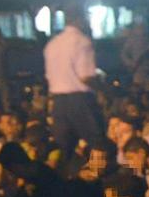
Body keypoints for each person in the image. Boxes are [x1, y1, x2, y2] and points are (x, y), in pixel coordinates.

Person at [44, 12, 104, 155]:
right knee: (97, 144)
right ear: (79, 19)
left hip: (58, 103)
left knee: (65, 147)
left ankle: (67, 174)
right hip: (80, 100)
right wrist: (103, 89)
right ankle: (97, 174)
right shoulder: (82, 41)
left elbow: (49, 76)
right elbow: (86, 77)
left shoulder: (52, 44)